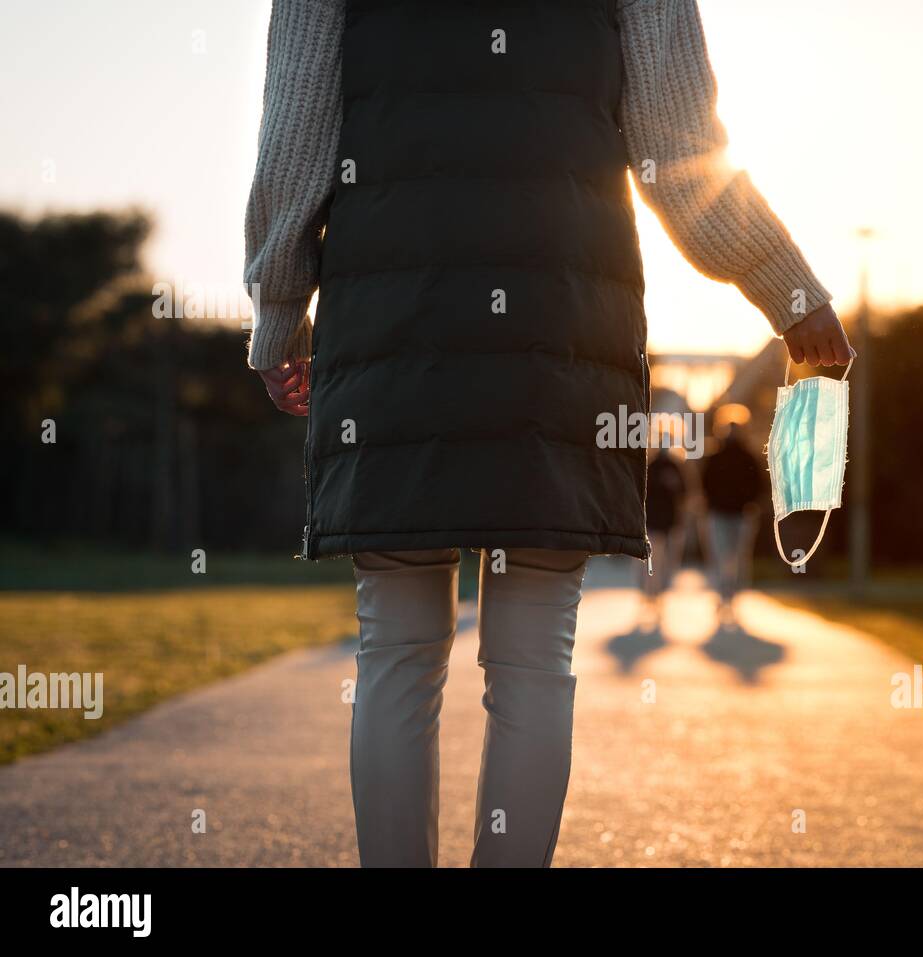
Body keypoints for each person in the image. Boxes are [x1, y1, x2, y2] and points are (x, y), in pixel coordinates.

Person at [245, 0, 853, 867]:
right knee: (535, 659)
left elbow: (296, 131)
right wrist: (789, 289)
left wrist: (276, 312)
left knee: (395, 646)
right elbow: (682, 152)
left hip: (390, 327)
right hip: (564, 330)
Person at [701, 423, 766, 624]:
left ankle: (729, 595)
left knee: (731, 556)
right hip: (726, 514)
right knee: (732, 556)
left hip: (737, 514)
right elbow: (706, 484)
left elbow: (758, 484)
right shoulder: (720, 457)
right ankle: (727, 594)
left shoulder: (744, 457)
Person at [641, 444, 691, 627]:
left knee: (669, 564)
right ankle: (650, 594)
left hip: (671, 523)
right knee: (653, 562)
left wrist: (674, 484)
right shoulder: (650, 466)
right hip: (653, 523)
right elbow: (641, 493)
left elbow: (685, 493)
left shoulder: (676, 467)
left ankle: (659, 594)